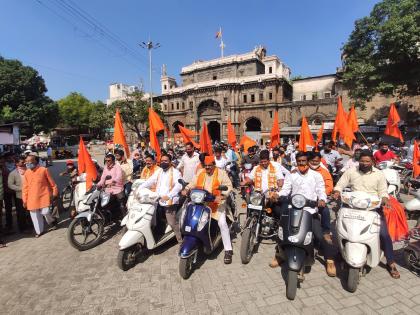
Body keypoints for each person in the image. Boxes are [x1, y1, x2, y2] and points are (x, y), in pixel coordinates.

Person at [333, 150, 400, 278]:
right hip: (353, 206)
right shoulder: (351, 171)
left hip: (372, 207)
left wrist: (385, 200)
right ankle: (341, 252)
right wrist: (336, 191)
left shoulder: (379, 174)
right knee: (341, 228)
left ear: (372, 162)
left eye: (367, 161)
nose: (364, 163)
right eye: (362, 161)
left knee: (384, 234)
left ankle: (390, 262)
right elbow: (340, 184)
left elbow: (383, 192)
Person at [271, 152, 336, 277]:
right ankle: (280, 255)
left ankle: (330, 260)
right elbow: (286, 189)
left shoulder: (316, 175)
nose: (301, 163)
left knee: (319, 235)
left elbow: (321, 190)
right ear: (296, 161)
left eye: (304, 161)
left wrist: (322, 199)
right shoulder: (291, 175)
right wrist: (278, 195)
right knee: (283, 233)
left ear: (308, 162)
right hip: (293, 209)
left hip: (310, 210)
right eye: (299, 161)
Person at [182, 155, 234, 264]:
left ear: (214, 165)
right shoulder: (201, 172)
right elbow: (193, 182)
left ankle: (228, 250)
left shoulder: (221, 173)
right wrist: (186, 189)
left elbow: (229, 186)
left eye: (209, 166)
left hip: (217, 203)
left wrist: (223, 195)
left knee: (222, 223)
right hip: (201, 202)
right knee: (189, 216)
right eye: (206, 166)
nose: (207, 168)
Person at [139, 154, 183, 242]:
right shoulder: (159, 171)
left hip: (169, 200)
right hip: (158, 199)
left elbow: (179, 186)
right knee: (152, 216)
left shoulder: (175, 172)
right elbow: (150, 180)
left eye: (166, 161)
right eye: (162, 161)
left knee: (171, 222)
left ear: (170, 162)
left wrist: (169, 196)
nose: (163, 162)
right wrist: (139, 187)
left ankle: (180, 240)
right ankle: (157, 233)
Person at [22, 155, 58, 237]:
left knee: (45, 212)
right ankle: (39, 231)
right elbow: (25, 187)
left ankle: (52, 221)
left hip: (43, 196)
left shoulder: (43, 170)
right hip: (31, 198)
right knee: (34, 215)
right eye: (26, 162)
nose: (27, 163)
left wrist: (55, 193)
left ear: (35, 161)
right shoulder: (26, 173)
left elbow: (52, 183)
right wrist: (24, 200)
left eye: (29, 162)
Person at [308, 151, 334, 243]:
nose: (314, 163)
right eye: (312, 161)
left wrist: (321, 197)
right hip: (303, 199)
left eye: (317, 161)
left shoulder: (324, 172)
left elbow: (329, 186)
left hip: (318, 199)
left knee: (325, 211)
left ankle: (326, 232)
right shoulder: (302, 170)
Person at [8, 155, 30, 233]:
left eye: (24, 161)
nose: (24, 163)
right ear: (17, 163)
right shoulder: (13, 173)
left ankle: (31, 225)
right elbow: (10, 185)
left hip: (30, 194)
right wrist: (20, 189)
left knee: (30, 211)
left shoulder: (28, 170)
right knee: (21, 213)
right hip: (19, 196)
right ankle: (23, 228)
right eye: (22, 162)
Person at [1, 153, 16, 233]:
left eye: (12, 156)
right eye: (10, 157)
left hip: (16, 190)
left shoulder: (15, 164)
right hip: (7, 191)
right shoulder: (3, 167)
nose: (12, 158)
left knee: (20, 208)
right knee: (8, 209)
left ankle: (22, 225)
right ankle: (9, 226)